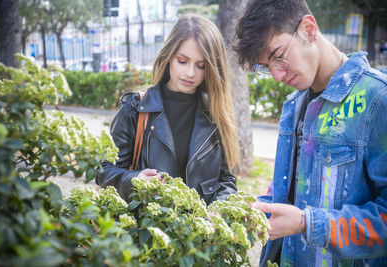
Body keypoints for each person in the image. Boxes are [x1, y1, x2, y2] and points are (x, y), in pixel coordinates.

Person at [234, 0, 387, 266]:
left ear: (308, 28)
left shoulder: (377, 99)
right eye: (266, 67)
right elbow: (287, 195)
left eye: (278, 57)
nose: (277, 76)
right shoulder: (293, 105)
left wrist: (308, 223)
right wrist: (243, 211)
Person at [96, 14, 240, 205]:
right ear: (169, 56)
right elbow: (104, 169)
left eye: (201, 66)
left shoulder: (215, 113)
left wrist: (217, 210)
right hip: (147, 228)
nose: (190, 73)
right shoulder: (136, 108)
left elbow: (226, 180)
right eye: (182, 60)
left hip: (198, 231)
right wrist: (134, 180)